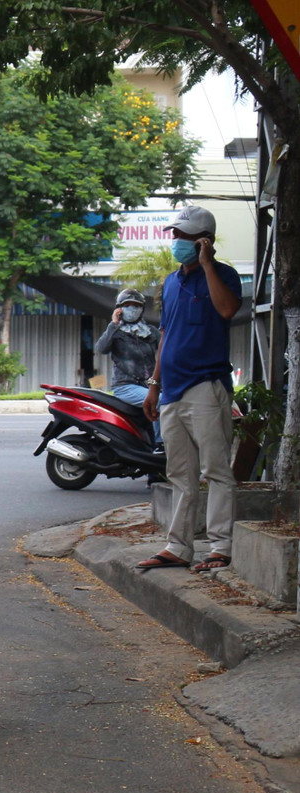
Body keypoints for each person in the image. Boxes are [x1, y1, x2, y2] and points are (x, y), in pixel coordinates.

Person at [137, 205, 242, 573]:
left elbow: (227, 310)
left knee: (216, 471)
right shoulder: (170, 282)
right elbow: (166, 335)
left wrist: (209, 264)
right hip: (172, 391)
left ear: (204, 241)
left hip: (206, 387)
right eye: (174, 235)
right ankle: (178, 546)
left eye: (182, 237)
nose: (175, 242)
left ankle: (220, 547)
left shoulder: (225, 275)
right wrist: (154, 385)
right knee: (180, 473)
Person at [95, 288, 161, 443]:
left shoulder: (150, 331)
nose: (132, 309)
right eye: (128, 305)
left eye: (136, 306)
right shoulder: (116, 332)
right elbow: (101, 348)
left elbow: (168, 350)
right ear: (119, 309)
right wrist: (113, 324)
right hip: (126, 386)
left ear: (142, 309)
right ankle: (161, 445)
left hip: (150, 385)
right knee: (160, 401)